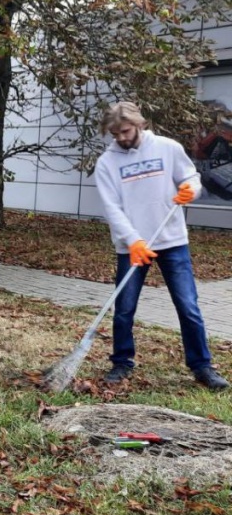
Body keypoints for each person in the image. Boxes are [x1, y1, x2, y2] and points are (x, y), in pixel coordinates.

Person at [95, 101, 228, 390]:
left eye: (125, 131)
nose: (120, 138)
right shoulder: (106, 163)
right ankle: (121, 363)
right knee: (124, 308)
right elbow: (112, 208)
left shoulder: (167, 148)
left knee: (187, 305)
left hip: (172, 240)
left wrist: (190, 190)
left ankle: (202, 366)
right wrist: (133, 241)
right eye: (114, 133)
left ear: (139, 124)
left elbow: (192, 178)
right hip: (133, 247)